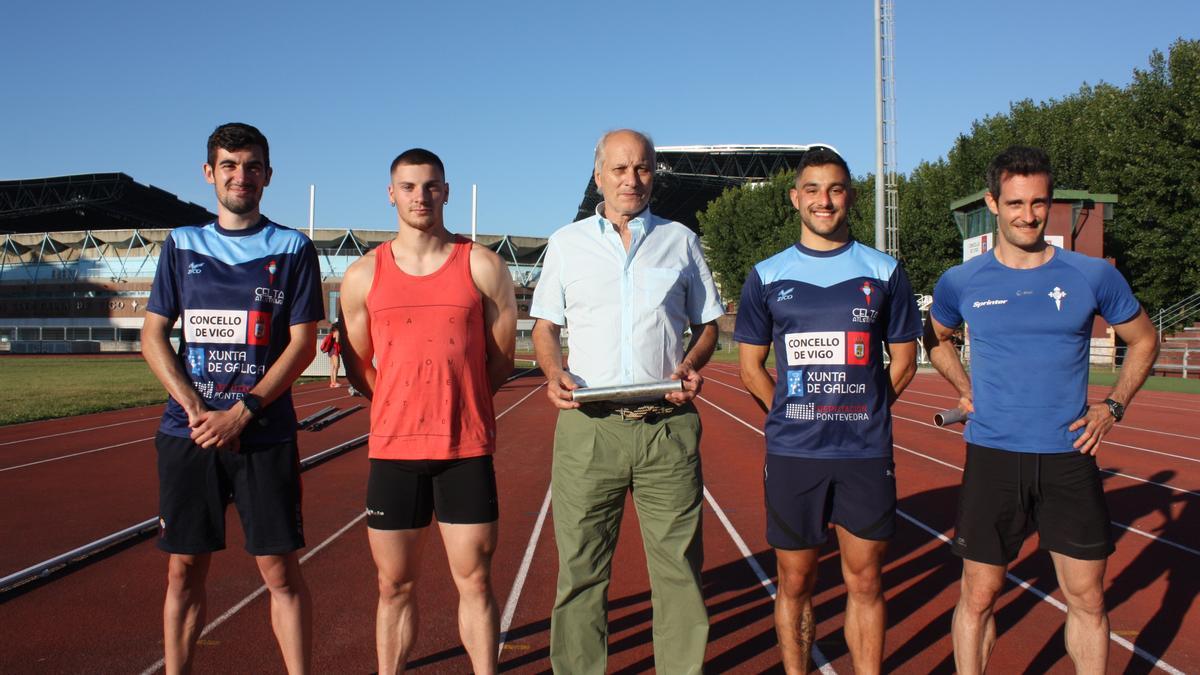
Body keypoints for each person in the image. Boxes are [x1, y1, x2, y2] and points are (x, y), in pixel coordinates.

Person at [924, 145, 1159, 674]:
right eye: (1015, 203)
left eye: (1038, 203)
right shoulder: (961, 281)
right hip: (992, 455)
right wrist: (966, 386)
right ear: (993, 203)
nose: (1028, 215)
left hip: (1067, 456)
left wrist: (1114, 405)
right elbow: (935, 336)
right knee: (978, 596)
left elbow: (1143, 340)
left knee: (1089, 599)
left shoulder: (1092, 274)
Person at [530, 128, 724, 674]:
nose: (630, 180)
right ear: (598, 176)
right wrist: (552, 371)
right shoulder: (567, 243)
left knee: (679, 571)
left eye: (641, 168)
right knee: (581, 571)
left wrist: (692, 361)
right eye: (618, 169)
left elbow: (707, 325)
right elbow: (545, 327)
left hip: (667, 427)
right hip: (589, 430)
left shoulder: (680, 241)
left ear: (653, 175)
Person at [141, 122, 322, 674]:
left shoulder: (293, 247)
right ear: (209, 173)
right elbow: (154, 336)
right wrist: (199, 412)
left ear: (267, 176)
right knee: (182, 570)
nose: (240, 176)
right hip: (189, 433)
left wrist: (243, 410)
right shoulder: (181, 243)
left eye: (251, 166)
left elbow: (303, 344)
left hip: (262, 434)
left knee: (280, 572)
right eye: (229, 165)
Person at [734, 147, 921, 674]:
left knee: (865, 580)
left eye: (835, 189)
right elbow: (751, 368)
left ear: (851, 197)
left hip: (863, 452)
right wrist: (793, 415)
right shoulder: (766, 276)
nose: (824, 200)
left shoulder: (884, 271)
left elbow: (903, 358)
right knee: (795, 581)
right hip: (795, 453)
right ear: (795, 198)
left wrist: (864, 410)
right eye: (812, 189)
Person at [338, 148, 517, 675]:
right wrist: (403, 403)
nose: (421, 196)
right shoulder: (362, 275)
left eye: (431, 186)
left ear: (446, 191)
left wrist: (452, 402)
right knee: (393, 585)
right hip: (394, 452)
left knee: (476, 581)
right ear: (391, 194)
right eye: (409, 187)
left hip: (464, 449)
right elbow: (360, 368)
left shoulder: (483, 265)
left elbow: (500, 362)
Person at [319, 322, 342, 387]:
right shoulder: (337, 332)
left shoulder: (332, 332)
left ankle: (332, 382)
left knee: (332, 366)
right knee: (336, 366)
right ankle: (334, 382)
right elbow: (337, 341)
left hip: (330, 351)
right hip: (335, 350)